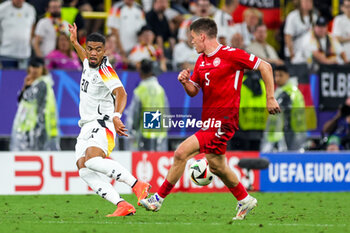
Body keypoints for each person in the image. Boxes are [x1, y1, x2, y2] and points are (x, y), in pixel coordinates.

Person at [140, 18, 280, 220]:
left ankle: (157, 199)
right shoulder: (201, 61)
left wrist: (270, 97)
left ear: (203, 36)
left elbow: (265, 66)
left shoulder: (231, 55)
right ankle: (245, 199)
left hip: (224, 119)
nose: (192, 42)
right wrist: (185, 82)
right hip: (209, 120)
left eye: (193, 38)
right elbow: (194, 92)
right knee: (216, 165)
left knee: (181, 153)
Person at [68, 23, 151, 217]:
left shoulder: (106, 69)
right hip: (86, 125)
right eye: (90, 49)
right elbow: (84, 58)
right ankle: (122, 204)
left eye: (98, 50)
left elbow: (121, 92)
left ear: (104, 51)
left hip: (102, 123)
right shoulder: (88, 62)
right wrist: (74, 43)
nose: (93, 53)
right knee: (82, 167)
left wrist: (116, 116)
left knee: (92, 160)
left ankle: (137, 185)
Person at [10, 57, 60, 151]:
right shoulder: (34, 83)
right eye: (33, 66)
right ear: (29, 68)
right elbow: (21, 102)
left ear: (42, 69)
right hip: (30, 127)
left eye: (37, 67)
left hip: (38, 127)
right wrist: (26, 86)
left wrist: (27, 86)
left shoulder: (42, 83)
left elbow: (33, 102)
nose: (35, 70)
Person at [261, 65, 307, 152]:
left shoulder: (287, 92)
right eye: (275, 75)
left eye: (280, 75)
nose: (277, 79)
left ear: (288, 75)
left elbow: (279, 116)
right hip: (294, 134)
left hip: (287, 135)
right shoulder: (292, 91)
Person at [126, 59, 169, 151]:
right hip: (160, 135)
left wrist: (132, 130)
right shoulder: (160, 89)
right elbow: (167, 112)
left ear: (140, 71)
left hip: (145, 136)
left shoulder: (140, 90)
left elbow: (135, 113)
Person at [0, 0, 36, 69]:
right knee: (9, 78)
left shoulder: (30, 9)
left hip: (24, 54)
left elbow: (32, 27)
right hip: (6, 53)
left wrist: (29, 42)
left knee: (22, 78)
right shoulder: (2, 8)